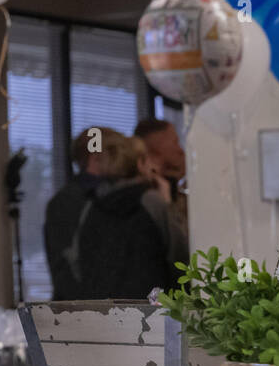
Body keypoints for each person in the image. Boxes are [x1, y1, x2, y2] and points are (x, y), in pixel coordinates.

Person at [73, 132, 187, 300]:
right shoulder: (150, 201)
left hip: (101, 312)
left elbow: (77, 262)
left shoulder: (92, 205)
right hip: (150, 312)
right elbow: (180, 258)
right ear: (139, 164)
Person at [44, 127, 117, 300]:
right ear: (96, 157)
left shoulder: (107, 195)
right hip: (84, 310)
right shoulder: (72, 201)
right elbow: (68, 265)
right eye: (115, 153)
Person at [134, 117, 187, 246]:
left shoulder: (182, 182)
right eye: (175, 142)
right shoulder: (145, 196)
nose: (180, 150)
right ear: (155, 152)